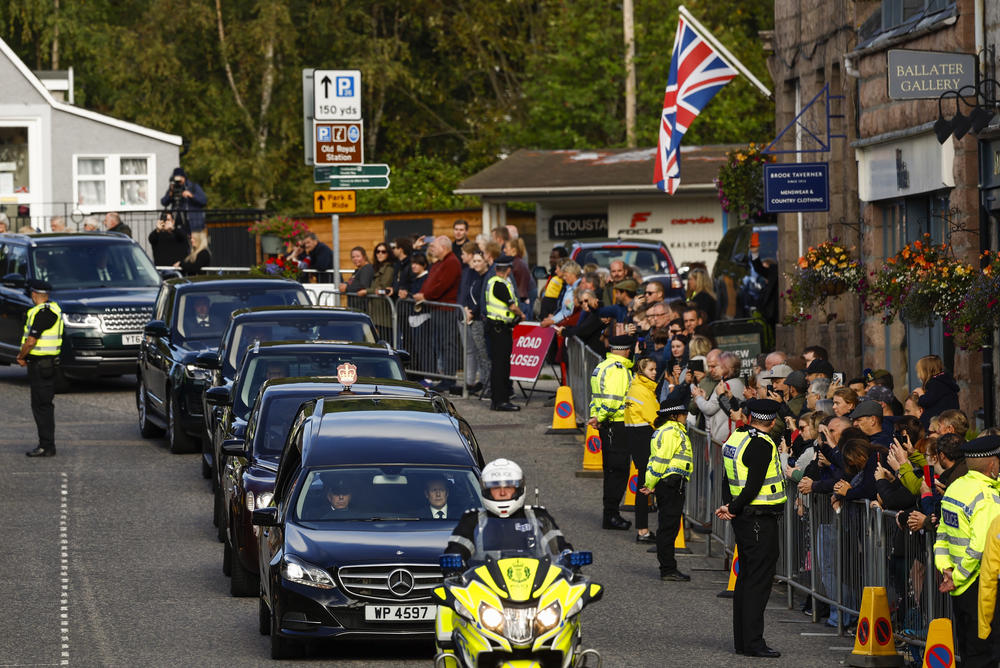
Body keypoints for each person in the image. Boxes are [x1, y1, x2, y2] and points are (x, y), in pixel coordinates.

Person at [715, 398, 786, 658]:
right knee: (758, 582)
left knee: (746, 580)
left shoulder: (737, 437)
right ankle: (754, 642)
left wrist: (729, 506)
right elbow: (754, 484)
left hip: (744, 517)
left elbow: (728, 476)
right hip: (758, 518)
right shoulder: (761, 444)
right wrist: (733, 508)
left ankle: (743, 641)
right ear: (771, 420)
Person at [934, 435, 1000, 666]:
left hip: (958, 584)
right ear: (992, 464)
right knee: (986, 654)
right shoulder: (987, 498)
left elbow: (942, 534)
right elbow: (981, 547)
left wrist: (947, 569)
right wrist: (959, 575)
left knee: (969, 651)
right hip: (981, 584)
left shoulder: (956, 487)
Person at [445, 459, 571, 563]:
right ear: (486, 490)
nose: (502, 492)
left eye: (508, 487)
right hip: (485, 589)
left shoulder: (538, 517)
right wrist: (454, 563)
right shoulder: (473, 520)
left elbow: (558, 548)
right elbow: (456, 551)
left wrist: (567, 556)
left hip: (536, 586)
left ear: (519, 488)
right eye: (496, 487)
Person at [641, 384, 695, 581]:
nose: (685, 416)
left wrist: (652, 483)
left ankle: (668, 567)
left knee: (668, 526)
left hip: (669, 483)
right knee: (668, 527)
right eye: (683, 413)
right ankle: (668, 569)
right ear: (674, 416)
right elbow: (660, 460)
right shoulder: (672, 431)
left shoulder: (667, 430)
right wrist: (650, 483)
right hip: (671, 484)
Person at [588, 334, 635, 531]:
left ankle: (610, 514)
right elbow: (613, 399)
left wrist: (595, 416)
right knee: (618, 471)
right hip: (616, 425)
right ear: (627, 350)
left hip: (607, 426)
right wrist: (601, 418)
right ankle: (612, 516)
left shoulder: (603, 365)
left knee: (611, 471)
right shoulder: (619, 369)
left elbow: (595, 397)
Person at [18, 280, 62, 457]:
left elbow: (31, 341)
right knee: (43, 405)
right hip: (46, 364)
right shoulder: (54, 309)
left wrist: (21, 356)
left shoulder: (43, 313)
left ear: (34, 295)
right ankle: (46, 444)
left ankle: (47, 446)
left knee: (42, 406)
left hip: (41, 365)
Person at [624, 357, 660, 544]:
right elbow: (655, 418)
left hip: (635, 437)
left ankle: (643, 529)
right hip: (643, 437)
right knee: (646, 484)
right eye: (651, 369)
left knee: (643, 483)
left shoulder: (636, 387)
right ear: (642, 371)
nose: (654, 372)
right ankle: (643, 530)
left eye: (655, 369)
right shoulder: (643, 391)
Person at [484, 255, 524, 412]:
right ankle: (501, 401)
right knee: (502, 366)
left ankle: (497, 400)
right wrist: (521, 315)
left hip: (496, 328)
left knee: (498, 365)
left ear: (495, 269)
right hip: (500, 329)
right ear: (508, 270)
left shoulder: (492, 282)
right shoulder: (500, 284)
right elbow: (512, 306)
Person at [914, 354, 960, 429]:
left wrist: (921, 394)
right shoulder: (944, 381)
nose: (918, 375)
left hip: (939, 424)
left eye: (919, 372)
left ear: (926, 371)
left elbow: (926, 401)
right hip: (947, 421)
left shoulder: (935, 384)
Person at [160, 167, 207, 233]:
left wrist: (191, 195)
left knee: (195, 242)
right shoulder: (173, 188)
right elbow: (163, 202)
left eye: (179, 178)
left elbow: (203, 201)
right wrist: (170, 194)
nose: (178, 181)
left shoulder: (193, 187)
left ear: (184, 177)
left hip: (194, 225)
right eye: (176, 178)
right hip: (178, 225)